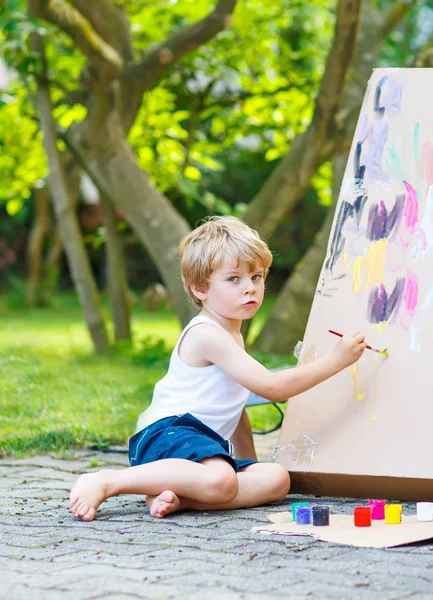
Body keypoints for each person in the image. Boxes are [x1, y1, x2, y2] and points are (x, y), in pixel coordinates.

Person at [69, 216, 367, 521]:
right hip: (166, 435)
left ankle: (180, 500)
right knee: (223, 480)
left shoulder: (232, 335)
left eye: (257, 277)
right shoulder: (206, 334)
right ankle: (107, 481)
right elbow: (272, 388)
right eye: (234, 279)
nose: (250, 288)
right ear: (199, 288)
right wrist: (336, 361)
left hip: (201, 449)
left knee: (276, 479)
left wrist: (248, 461)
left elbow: (234, 407)